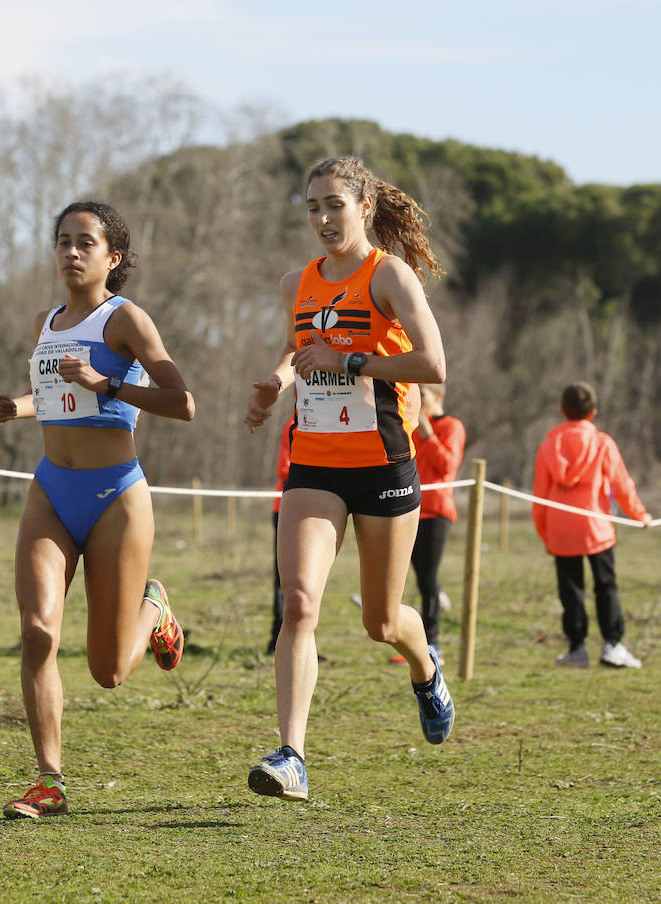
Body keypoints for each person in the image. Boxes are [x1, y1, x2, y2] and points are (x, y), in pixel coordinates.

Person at [243, 156, 454, 801]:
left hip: (385, 464)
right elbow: (295, 345)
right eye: (313, 207)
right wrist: (277, 384)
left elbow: (434, 364)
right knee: (299, 604)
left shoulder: (388, 275)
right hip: (314, 464)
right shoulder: (296, 283)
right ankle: (291, 756)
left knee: (382, 622)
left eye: (335, 204)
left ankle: (425, 669)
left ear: (364, 207)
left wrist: (350, 359)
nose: (323, 218)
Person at [0, 200, 194, 819]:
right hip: (51, 488)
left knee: (107, 672)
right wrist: (15, 408)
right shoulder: (44, 322)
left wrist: (106, 384)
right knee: (37, 631)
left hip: (115, 498)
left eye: (85, 243)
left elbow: (182, 401)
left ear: (113, 257)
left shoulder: (125, 319)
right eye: (62, 242)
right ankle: (49, 780)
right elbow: (55, 395)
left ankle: (152, 609)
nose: (71, 253)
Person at [533, 382, 652, 669]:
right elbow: (622, 486)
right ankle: (613, 644)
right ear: (593, 412)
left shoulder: (549, 446)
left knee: (570, 589)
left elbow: (540, 497)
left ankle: (577, 648)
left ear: (562, 409)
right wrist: (639, 515)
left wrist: (546, 532)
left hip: (561, 528)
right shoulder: (603, 443)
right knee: (606, 585)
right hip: (596, 527)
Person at [391, 382, 465, 664]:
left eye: (423, 395)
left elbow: (447, 466)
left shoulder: (452, 426)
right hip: (411, 509)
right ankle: (418, 639)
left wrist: (429, 435)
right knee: (418, 576)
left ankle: (432, 644)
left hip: (436, 512)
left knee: (427, 577)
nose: (418, 401)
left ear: (439, 396)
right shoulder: (409, 427)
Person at [266, 413, 296, 654]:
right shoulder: (294, 422)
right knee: (285, 577)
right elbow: (283, 467)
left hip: (306, 508)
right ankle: (277, 637)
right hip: (286, 506)